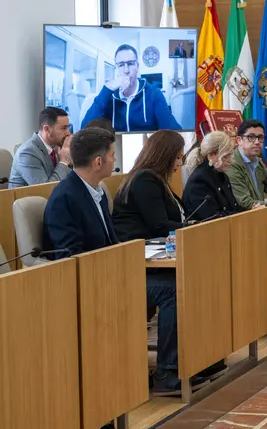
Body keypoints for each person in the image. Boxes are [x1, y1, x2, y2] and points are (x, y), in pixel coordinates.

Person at [111, 130, 219, 395]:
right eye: (178, 155)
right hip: (133, 265)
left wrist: (192, 226)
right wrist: (189, 227)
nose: (181, 161)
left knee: (198, 278)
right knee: (175, 288)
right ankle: (167, 371)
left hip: (151, 258)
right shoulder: (144, 180)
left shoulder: (158, 180)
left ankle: (197, 359)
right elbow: (159, 225)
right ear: (166, 155)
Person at [42, 127, 117, 257]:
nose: (114, 160)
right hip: (89, 273)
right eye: (112, 155)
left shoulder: (98, 192)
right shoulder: (64, 199)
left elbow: (110, 242)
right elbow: (70, 256)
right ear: (98, 162)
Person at [81, 44, 181, 132]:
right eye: (121, 65)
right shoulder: (109, 96)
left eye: (130, 63)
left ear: (137, 66)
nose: (126, 70)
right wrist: (107, 89)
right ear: (116, 68)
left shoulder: (154, 94)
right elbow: (85, 130)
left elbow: (174, 131)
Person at [183, 131, 244, 221]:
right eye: (225, 156)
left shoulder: (221, 175)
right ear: (211, 155)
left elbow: (234, 208)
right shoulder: (199, 180)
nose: (230, 160)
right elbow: (212, 217)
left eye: (231, 155)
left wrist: (252, 212)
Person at [226, 119, 267, 208]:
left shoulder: (257, 161)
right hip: (241, 218)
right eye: (251, 137)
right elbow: (246, 202)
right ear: (239, 140)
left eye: (260, 137)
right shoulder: (231, 164)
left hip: (258, 214)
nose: (257, 142)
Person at [9, 107, 72, 188]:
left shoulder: (57, 147)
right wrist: (64, 162)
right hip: (31, 199)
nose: (68, 133)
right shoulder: (27, 153)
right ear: (47, 129)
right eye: (64, 128)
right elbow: (46, 190)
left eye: (68, 128)